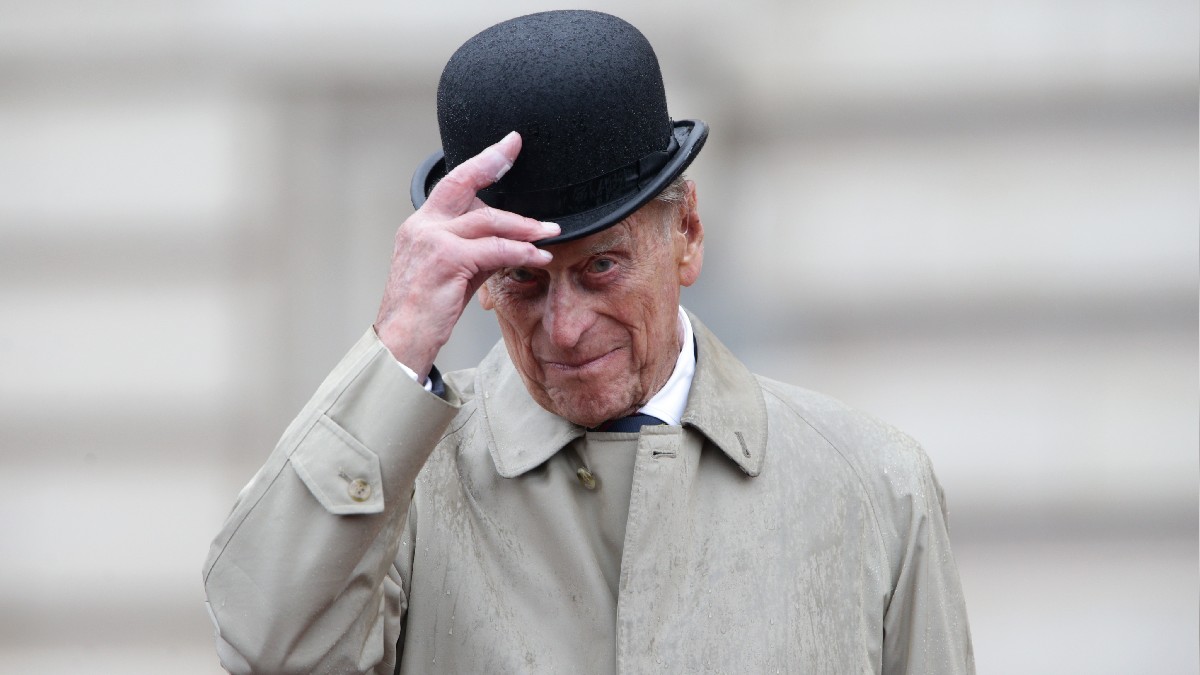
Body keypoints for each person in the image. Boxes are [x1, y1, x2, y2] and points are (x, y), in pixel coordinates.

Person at [202, 10, 974, 674]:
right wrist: (399, 339)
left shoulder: (874, 487)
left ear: (688, 235)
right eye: (523, 281)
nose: (564, 328)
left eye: (601, 266)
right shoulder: (402, 491)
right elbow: (270, 647)